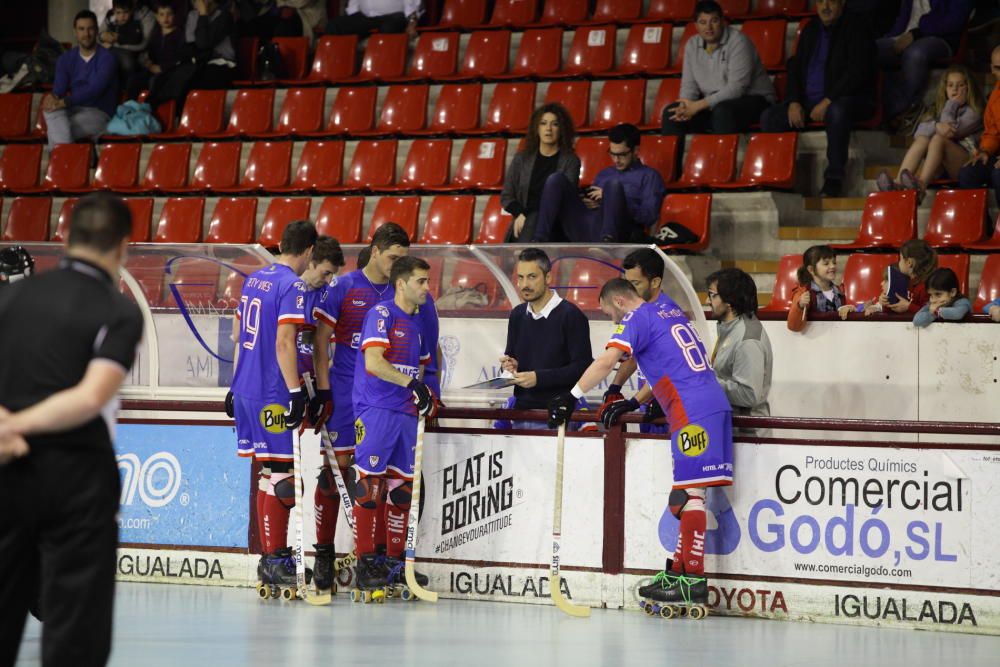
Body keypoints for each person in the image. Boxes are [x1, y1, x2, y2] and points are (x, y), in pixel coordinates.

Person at [0, 193, 144, 666]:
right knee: (73, 632)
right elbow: (91, 396)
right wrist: (23, 422)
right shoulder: (118, 310)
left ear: (64, 237)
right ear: (124, 246)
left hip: (7, 468)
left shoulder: (12, 298)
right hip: (77, 479)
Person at [548, 278, 731, 611]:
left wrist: (571, 396)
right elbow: (667, 369)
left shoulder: (636, 318)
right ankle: (680, 571)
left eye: (610, 315)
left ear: (619, 302)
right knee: (688, 494)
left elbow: (606, 361)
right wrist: (632, 401)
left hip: (692, 411)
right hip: (705, 404)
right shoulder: (668, 310)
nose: (614, 323)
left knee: (690, 496)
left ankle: (693, 580)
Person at [311, 223, 412, 587]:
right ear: (374, 250)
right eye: (392, 258)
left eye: (403, 259)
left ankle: (377, 558)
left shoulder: (403, 292)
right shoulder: (344, 286)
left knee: (379, 480)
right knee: (333, 472)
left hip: (383, 400)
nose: (397, 265)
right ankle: (323, 554)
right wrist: (322, 392)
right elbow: (321, 342)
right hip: (343, 395)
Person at [225, 219, 317, 595]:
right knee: (283, 474)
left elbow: (235, 334)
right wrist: (296, 392)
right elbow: (284, 342)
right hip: (271, 392)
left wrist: (232, 385)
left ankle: (270, 559)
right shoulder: (291, 285)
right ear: (309, 251)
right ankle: (277, 559)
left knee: (268, 472)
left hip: (245, 387)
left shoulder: (254, 278)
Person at [352, 256, 438, 594]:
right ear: (401, 283)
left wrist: (427, 393)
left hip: (406, 412)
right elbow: (374, 362)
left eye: (427, 281)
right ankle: (366, 563)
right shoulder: (382, 314)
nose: (427, 288)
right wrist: (410, 384)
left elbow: (423, 370)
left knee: (402, 491)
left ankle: (392, 561)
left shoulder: (418, 324)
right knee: (370, 487)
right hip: (377, 409)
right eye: (421, 281)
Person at [759, 0, 877, 198]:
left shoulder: (857, 27)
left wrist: (828, 100)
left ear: (842, 3)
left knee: (837, 111)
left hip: (850, 99)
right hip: (810, 103)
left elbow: (858, 71)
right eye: (821, 1)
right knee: (769, 117)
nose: (825, 6)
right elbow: (795, 66)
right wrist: (794, 101)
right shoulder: (810, 29)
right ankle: (780, 179)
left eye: (831, 1)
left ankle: (834, 179)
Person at [500, 248, 593, 429]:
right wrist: (510, 366)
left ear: (548, 278)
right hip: (521, 412)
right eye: (520, 277)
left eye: (532, 277)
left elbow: (582, 367)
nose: (524, 284)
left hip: (558, 415)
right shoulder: (517, 315)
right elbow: (511, 355)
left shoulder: (571, 315)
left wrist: (539, 378)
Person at [533, 123, 667, 243]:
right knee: (556, 179)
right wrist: (588, 200)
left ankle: (607, 242)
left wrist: (613, 200)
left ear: (636, 151)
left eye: (621, 155)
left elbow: (649, 217)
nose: (616, 160)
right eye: (612, 154)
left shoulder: (650, 176)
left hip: (621, 230)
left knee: (613, 186)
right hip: (589, 223)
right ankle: (539, 239)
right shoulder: (604, 173)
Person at [661, 0, 776, 139]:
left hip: (753, 100)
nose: (708, 27)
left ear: (722, 21)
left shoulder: (739, 42)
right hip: (714, 104)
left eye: (713, 21)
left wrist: (698, 106)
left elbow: (737, 88)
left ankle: (720, 160)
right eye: (703, 22)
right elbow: (689, 85)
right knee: (671, 114)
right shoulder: (692, 45)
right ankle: (677, 161)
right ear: (695, 25)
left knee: (723, 112)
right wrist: (684, 106)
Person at [877, 65, 984, 199]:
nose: (955, 90)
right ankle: (898, 184)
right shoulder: (937, 108)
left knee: (939, 139)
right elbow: (920, 133)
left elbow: (950, 132)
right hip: (939, 166)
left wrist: (952, 105)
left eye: (960, 85)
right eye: (950, 85)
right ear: (945, 88)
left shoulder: (974, 111)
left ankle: (920, 187)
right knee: (923, 139)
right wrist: (937, 125)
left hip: (965, 164)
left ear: (968, 88)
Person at [601, 248, 678, 433]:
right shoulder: (639, 311)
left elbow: (671, 368)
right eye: (626, 283)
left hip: (668, 405)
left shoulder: (666, 313)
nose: (629, 290)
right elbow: (635, 356)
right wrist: (615, 386)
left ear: (655, 282)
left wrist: (636, 401)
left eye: (635, 283)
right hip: (649, 400)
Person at [877, 0, 976, 126]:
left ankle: (905, 110)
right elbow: (903, 20)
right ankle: (877, 109)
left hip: (941, 38)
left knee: (915, 54)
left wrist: (916, 34)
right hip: (905, 36)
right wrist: (891, 38)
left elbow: (954, 20)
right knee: (870, 50)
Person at [500, 103, 581, 242]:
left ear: (562, 129)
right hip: (523, 222)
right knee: (531, 221)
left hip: (554, 225)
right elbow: (506, 196)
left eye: (554, 124)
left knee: (535, 217)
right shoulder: (521, 159)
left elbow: (563, 199)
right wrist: (520, 213)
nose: (548, 129)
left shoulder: (571, 161)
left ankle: (525, 256)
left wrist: (526, 213)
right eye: (543, 123)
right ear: (536, 128)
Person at [42, 10, 119, 149]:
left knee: (59, 130)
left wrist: (65, 101)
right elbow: (59, 89)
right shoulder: (65, 59)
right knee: (50, 111)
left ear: (96, 31)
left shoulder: (107, 58)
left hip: (100, 113)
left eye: (90, 29)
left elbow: (95, 88)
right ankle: (71, 157)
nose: (86, 34)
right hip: (74, 109)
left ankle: (62, 157)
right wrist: (52, 98)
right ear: (75, 32)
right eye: (81, 29)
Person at [706, 268, 772, 426]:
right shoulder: (731, 328)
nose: (708, 301)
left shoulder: (747, 340)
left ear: (729, 301)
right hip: (734, 428)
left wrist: (705, 380)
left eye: (712, 295)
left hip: (747, 435)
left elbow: (749, 395)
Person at [147, 0, 236, 109]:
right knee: (164, 79)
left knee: (195, 82)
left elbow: (203, 43)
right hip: (198, 62)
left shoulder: (224, 16)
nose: (195, 3)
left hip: (221, 63)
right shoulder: (193, 15)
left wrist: (203, 14)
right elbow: (190, 45)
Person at [845, 239, 938, 318]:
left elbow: (932, 313)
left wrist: (909, 307)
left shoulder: (926, 286)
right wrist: (885, 303)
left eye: (900, 259)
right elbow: (894, 310)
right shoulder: (904, 281)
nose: (899, 262)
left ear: (909, 262)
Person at [957, 45, 1000, 204]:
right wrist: (985, 151)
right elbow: (992, 133)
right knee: (968, 173)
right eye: (997, 68)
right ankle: (981, 227)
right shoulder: (995, 96)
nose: (998, 72)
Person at [127, 0, 185, 100]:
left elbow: (179, 58)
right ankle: (131, 107)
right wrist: (148, 63)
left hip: (168, 71)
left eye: (169, 14)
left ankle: (149, 109)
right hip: (152, 69)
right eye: (162, 14)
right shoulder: (155, 34)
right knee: (134, 81)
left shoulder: (179, 34)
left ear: (174, 15)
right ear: (157, 17)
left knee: (155, 82)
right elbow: (150, 53)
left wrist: (162, 68)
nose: (165, 18)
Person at [787, 245, 847, 332]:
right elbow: (793, 326)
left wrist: (853, 309)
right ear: (811, 269)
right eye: (826, 263)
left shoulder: (841, 291)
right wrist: (800, 305)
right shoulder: (803, 294)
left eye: (834, 262)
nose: (833, 266)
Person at [99, 0, 156, 84]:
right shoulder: (111, 17)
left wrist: (115, 42)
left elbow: (142, 42)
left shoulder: (142, 16)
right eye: (118, 13)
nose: (122, 16)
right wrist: (102, 36)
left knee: (127, 63)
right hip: (111, 49)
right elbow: (100, 34)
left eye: (125, 12)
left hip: (134, 52)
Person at [326, 0, 421, 38]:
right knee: (334, 25)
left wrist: (412, 24)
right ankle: (340, 72)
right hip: (366, 17)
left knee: (388, 27)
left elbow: (412, 6)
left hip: (394, 16)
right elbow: (353, 6)